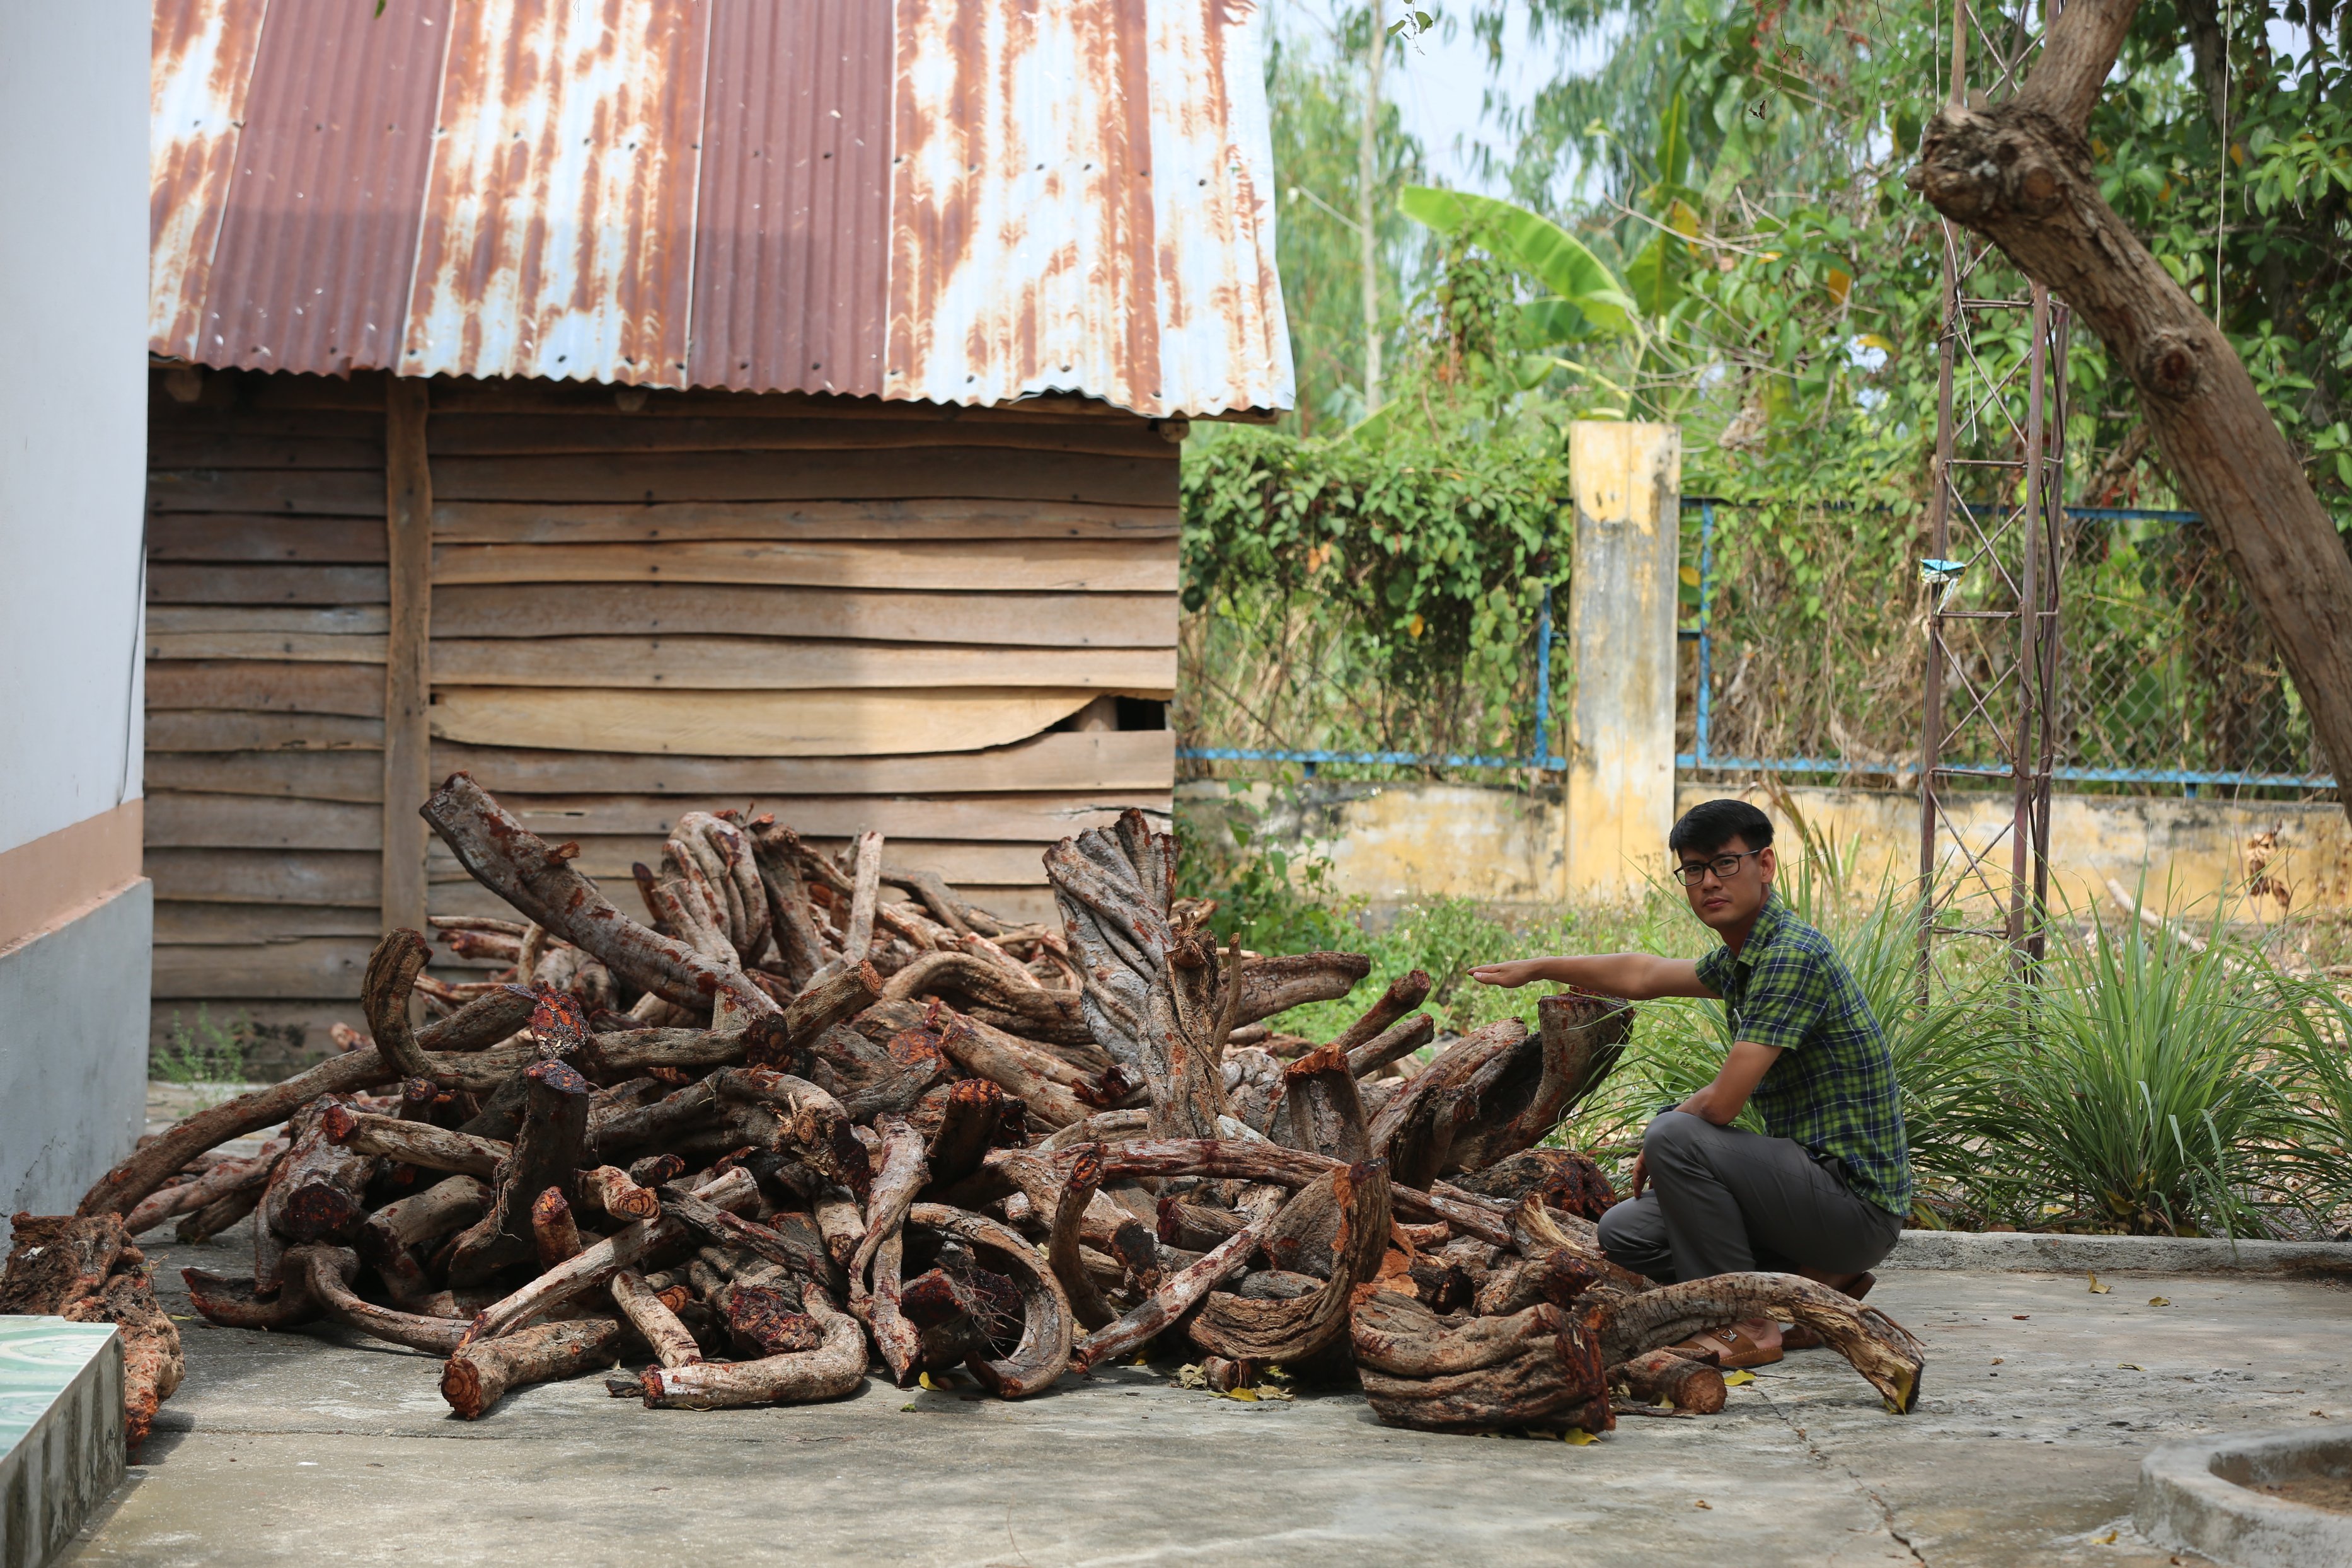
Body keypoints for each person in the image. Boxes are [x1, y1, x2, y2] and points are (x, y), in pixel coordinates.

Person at [1467, 798, 1909, 1368]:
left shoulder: (1790, 956)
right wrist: (1540, 966)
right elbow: (1643, 973)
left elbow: (1723, 1105)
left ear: (1765, 864)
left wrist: (1669, 1128)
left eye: (1725, 864)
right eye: (1694, 870)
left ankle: (1745, 1324)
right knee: (1627, 1231)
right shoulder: (1745, 955)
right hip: (1815, 1198)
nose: (1708, 882)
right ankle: (1820, 1286)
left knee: (1676, 1136)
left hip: (1856, 1205)